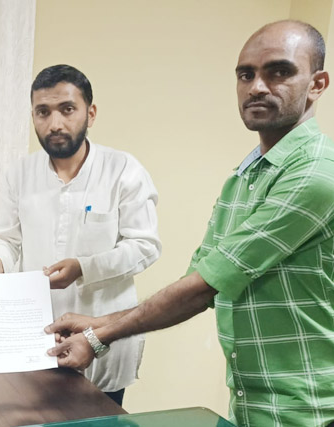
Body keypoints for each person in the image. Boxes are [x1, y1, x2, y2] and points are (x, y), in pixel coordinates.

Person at [45, 20, 334, 426]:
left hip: (308, 410)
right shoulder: (246, 175)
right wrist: (99, 322)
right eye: (245, 75)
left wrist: (98, 336)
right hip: (251, 403)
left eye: (279, 72)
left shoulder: (317, 173)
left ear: (317, 84)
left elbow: (204, 286)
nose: (256, 87)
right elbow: (201, 276)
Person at [0, 65, 161, 404]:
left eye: (67, 109)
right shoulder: (19, 174)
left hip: (102, 340)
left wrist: (84, 267)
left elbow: (144, 247)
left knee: (101, 420)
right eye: (43, 112)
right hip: (34, 340)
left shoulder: (123, 170)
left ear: (91, 113)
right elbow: (5, 239)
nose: (55, 123)